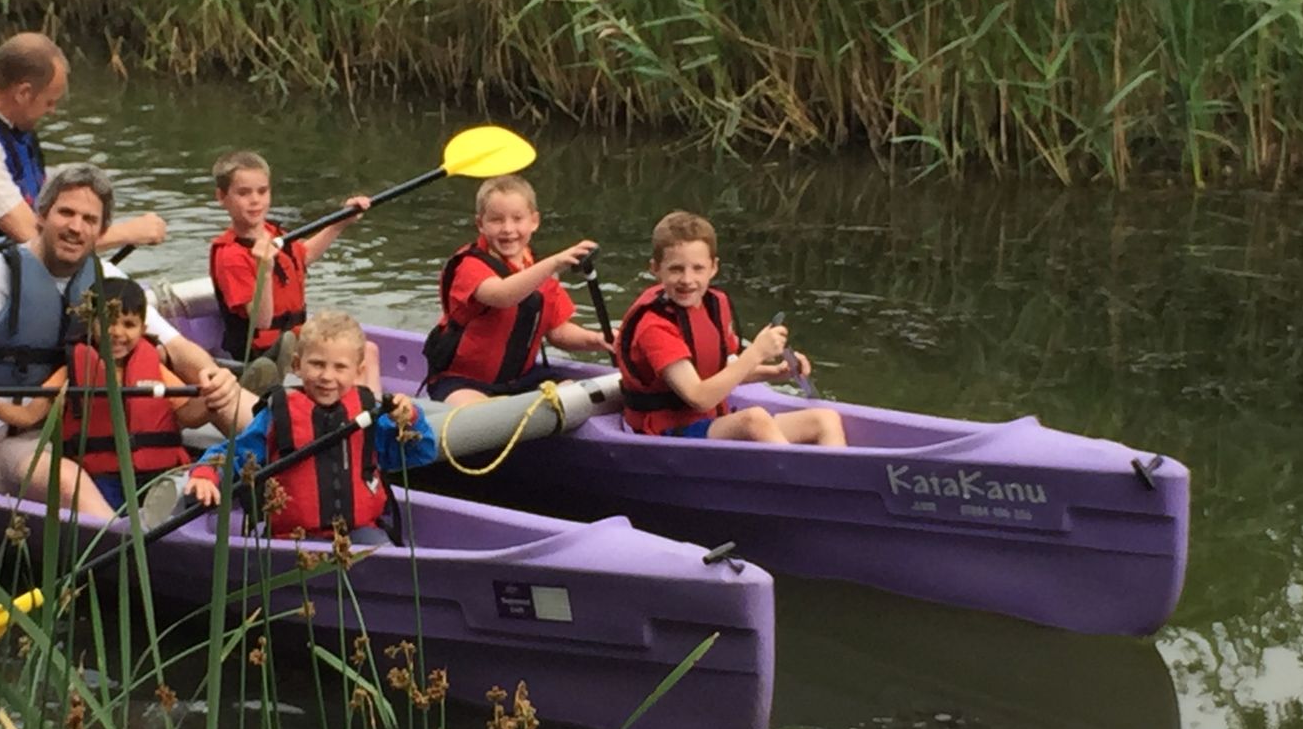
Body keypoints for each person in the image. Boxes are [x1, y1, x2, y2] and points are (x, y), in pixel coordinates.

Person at [0, 163, 249, 518]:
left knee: (225, 396)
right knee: (68, 480)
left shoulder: (104, 279)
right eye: (65, 213)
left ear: (101, 231)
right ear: (40, 215)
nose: (76, 227)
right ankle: (132, 561)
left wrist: (212, 375)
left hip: (85, 431)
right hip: (0, 436)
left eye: (89, 219)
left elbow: (176, 346)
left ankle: (285, 477)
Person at [0, 32, 170, 272]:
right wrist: (131, 232)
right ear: (23, 93)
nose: (52, 111)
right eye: (49, 102)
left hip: (23, 277)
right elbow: (36, 238)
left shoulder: (9, 128)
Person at [183, 311, 438, 546]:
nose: (327, 376)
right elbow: (235, 454)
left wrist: (412, 419)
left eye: (340, 367)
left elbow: (421, 453)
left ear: (358, 372)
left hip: (359, 533)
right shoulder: (277, 416)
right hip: (291, 540)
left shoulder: (371, 415)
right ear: (296, 365)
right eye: (317, 364)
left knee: (385, 556)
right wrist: (206, 474)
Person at [0, 277, 208, 513]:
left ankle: (159, 521)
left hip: (160, 473)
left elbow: (190, 416)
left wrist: (210, 401)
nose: (117, 333)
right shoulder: (72, 372)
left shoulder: (156, 369)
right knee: (110, 508)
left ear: (143, 329)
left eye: (129, 324)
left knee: (180, 498)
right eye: (107, 323)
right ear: (90, 324)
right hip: (102, 477)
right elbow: (27, 416)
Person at [616, 210, 847, 446]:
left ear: (713, 268)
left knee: (825, 419)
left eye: (698, 268)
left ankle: (837, 481)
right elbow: (699, 397)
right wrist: (756, 352)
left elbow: (719, 372)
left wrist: (776, 372)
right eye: (676, 269)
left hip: (708, 423)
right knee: (753, 419)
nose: (687, 279)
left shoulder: (714, 305)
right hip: (666, 434)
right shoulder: (654, 327)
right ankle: (803, 481)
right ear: (655, 268)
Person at [420, 174, 614, 407]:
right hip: (462, 381)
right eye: (497, 220)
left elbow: (557, 331)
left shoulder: (538, 269)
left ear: (534, 221)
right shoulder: (469, 266)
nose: (508, 229)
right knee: (480, 415)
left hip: (521, 380)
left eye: (517, 219)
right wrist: (554, 263)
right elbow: (503, 295)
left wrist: (597, 339)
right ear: (480, 224)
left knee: (574, 398)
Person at [206, 150, 371, 381]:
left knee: (368, 351)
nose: (255, 200)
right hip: (262, 353)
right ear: (222, 197)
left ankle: (371, 412)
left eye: (262, 191)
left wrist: (340, 221)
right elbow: (261, 321)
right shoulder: (231, 256)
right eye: (244, 193)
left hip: (295, 336)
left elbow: (303, 256)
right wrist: (265, 270)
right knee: (342, 359)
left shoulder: (274, 233)